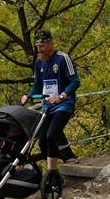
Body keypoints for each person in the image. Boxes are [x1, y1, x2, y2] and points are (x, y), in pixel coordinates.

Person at [20, 29, 80, 171]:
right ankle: (66, 159)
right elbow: (37, 84)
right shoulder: (38, 62)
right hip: (47, 106)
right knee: (42, 142)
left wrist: (61, 96)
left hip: (63, 104)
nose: (39, 50)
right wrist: (28, 95)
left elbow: (75, 81)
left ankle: (51, 172)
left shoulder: (63, 58)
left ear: (50, 44)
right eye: (37, 47)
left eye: (42, 46)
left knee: (51, 136)